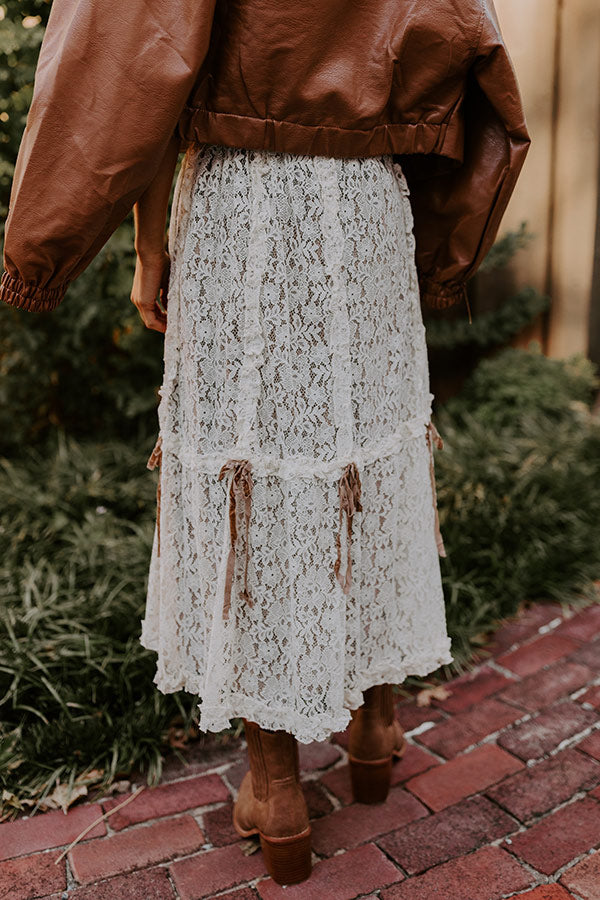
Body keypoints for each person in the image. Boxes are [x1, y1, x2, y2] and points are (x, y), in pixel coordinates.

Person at [0, 0, 530, 886]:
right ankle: (375, 729)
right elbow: (468, 44)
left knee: (251, 468)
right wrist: (447, 236)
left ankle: (277, 789)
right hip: (369, 199)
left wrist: (100, 244)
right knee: (367, 453)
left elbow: (136, 51)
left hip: (244, 203)